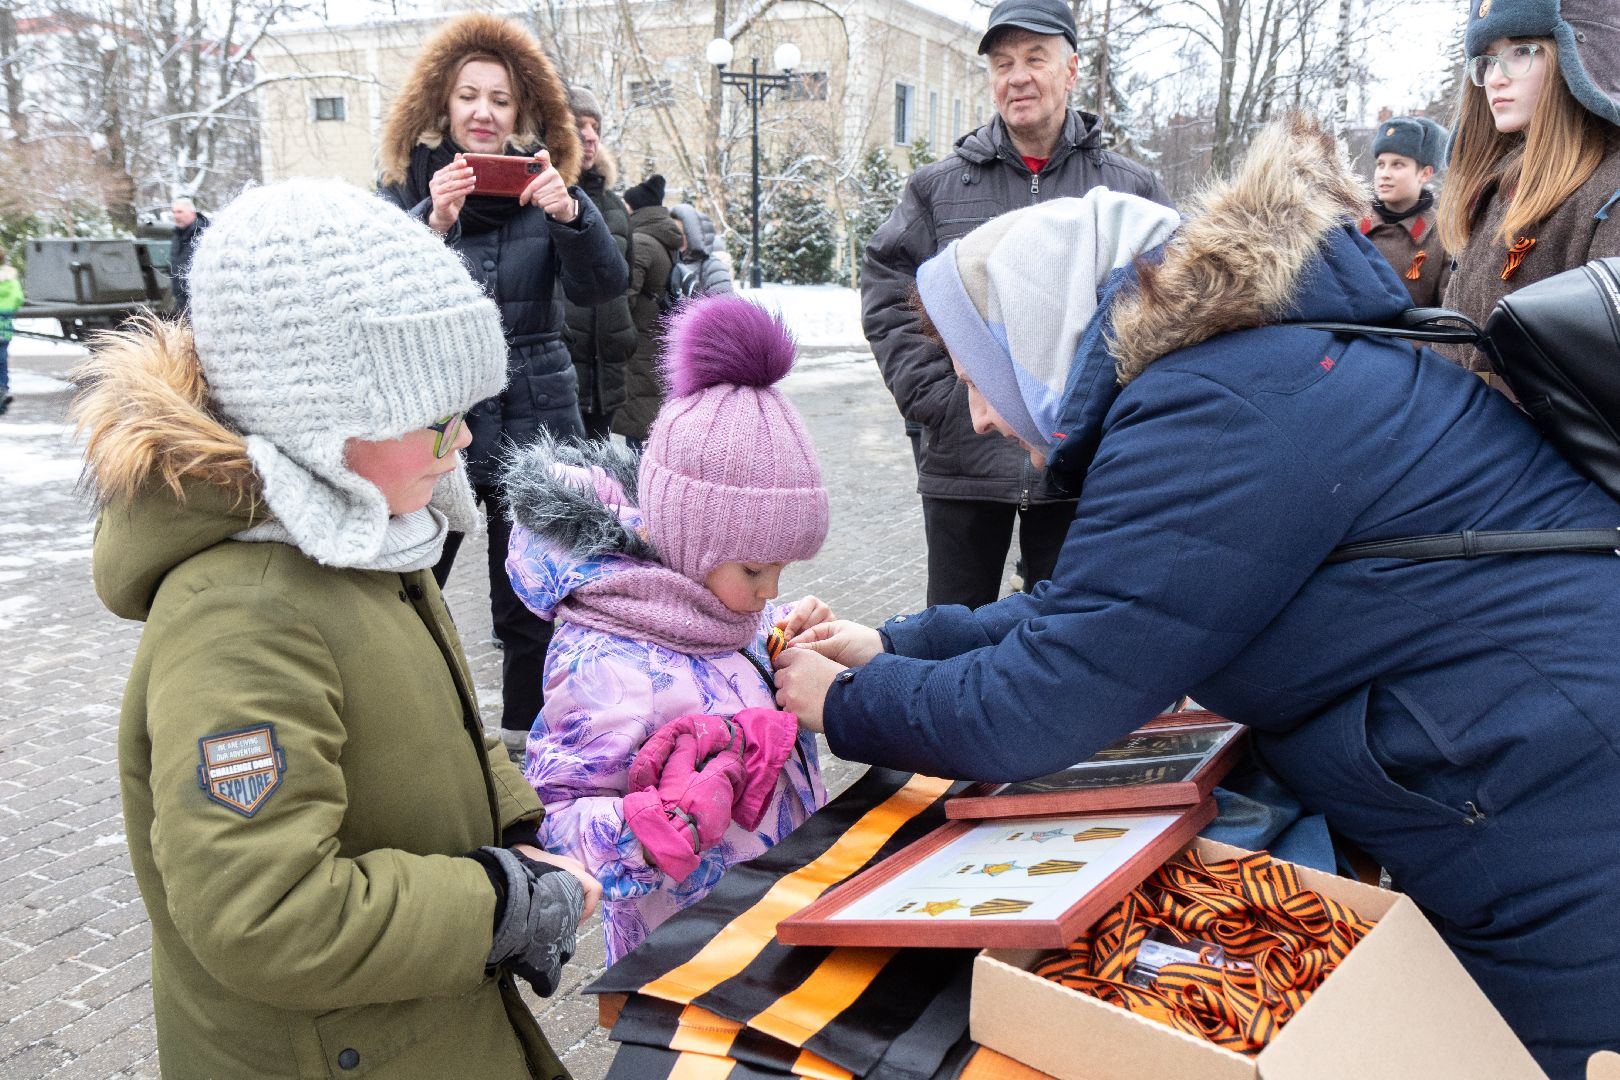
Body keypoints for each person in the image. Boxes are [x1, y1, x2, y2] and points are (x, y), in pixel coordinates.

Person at [774, 115, 1620, 1080]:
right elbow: (1111, 610)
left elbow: (1045, 699)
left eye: (976, 373)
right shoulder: (1244, 371)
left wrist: (845, 705)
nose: (973, 411)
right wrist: (901, 645)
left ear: (1036, 334)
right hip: (1532, 772)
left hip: (1562, 814)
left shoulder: (1212, 404)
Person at [72, 178, 602, 1079]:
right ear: (323, 427)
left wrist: (515, 824)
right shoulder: (243, 615)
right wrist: (497, 905)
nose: (464, 442)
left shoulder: (369, 531)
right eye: (437, 420)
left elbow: (436, 726)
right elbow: (264, 913)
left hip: (413, 1021)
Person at [503, 295, 832, 963]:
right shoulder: (609, 663)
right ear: (688, 541)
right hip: (682, 953)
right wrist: (657, 824)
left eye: (784, 571)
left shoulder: (725, 607)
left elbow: (730, 662)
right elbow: (558, 823)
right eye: (756, 569)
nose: (772, 591)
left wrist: (781, 641)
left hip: (776, 913)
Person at [862, 0, 1172, 611]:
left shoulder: (1128, 190)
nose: (1017, 76)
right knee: (948, 641)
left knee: (1066, 635)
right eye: (1002, 63)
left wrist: (1113, 415)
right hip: (964, 460)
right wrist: (941, 398)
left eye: (1035, 58)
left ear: (1072, 70)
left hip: (1084, 473)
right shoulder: (938, 187)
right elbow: (887, 291)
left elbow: (1170, 311)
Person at [378, 12, 628, 751]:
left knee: (529, 596)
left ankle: (526, 745)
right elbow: (379, 301)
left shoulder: (551, 187)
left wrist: (571, 215)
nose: (483, 112)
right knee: (411, 582)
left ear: (522, 113)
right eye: (468, 96)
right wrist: (433, 221)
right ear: (441, 107)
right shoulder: (403, 192)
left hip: (536, 408)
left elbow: (602, 288)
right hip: (438, 415)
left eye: (500, 99)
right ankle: (422, 741)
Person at [1437, 0, 1620, 386]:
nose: (1495, 79)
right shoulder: (1493, 192)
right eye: (1486, 60)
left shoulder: (1610, 192)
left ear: (1579, 55)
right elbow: (1452, 346)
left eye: (1521, 51)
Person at [564, 85, 636, 440]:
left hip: (606, 377)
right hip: (559, 380)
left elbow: (628, 286)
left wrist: (623, 339)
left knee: (598, 483)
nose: (590, 137)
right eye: (579, 125)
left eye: (595, 127)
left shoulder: (614, 206)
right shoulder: (538, 201)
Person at [611, 174, 684, 451]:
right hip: (656, 341)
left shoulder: (641, 241)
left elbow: (625, 297)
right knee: (651, 421)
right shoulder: (664, 239)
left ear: (634, 208)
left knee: (640, 428)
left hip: (640, 345)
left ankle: (642, 487)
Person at [1361, 115, 1450, 306]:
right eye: (1380, 164)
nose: (1384, 174)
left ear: (1425, 173)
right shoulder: (1351, 226)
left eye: (1398, 164)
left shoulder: (1443, 236)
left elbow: (1448, 318)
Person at [670, 202, 737, 296]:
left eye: (678, 232)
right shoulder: (666, 263)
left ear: (691, 235)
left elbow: (723, 306)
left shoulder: (713, 268)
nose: (672, 237)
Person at [167, 196, 208, 316]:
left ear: (192, 212)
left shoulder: (204, 233)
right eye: (174, 212)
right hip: (182, 301)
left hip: (200, 299)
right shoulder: (177, 235)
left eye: (180, 212)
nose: (176, 216)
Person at [0, 247, 21, 415]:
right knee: (2, 358)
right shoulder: (11, 281)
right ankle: (3, 388)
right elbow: (17, 298)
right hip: (4, 325)